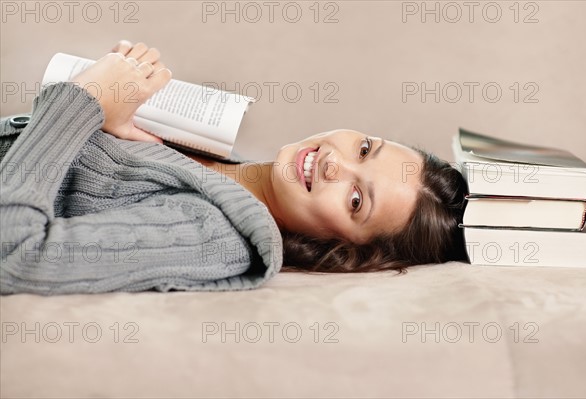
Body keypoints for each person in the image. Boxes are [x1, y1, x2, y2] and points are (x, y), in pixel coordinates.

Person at [0, 41, 468, 295]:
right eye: (365, 149)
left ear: (340, 251)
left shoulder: (213, 236)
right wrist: (109, 116)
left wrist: (81, 103)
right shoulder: (228, 165)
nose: (335, 163)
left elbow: (16, 255)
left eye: (355, 199)